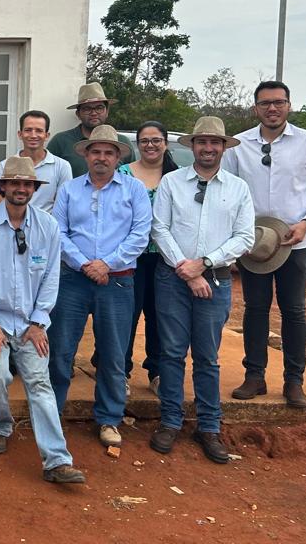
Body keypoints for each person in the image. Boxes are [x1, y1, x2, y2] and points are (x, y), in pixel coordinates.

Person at [0, 157, 86, 485]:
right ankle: (0, 426)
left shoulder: (48, 227)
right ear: (1, 187)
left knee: (40, 383)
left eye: (27, 184)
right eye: (14, 183)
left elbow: (50, 277)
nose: (21, 189)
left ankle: (57, 460)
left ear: (34, 188)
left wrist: (38, 321)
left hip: (32, 321)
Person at [223, 81, 306, 408]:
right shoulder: (239, 146)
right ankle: (254, 376)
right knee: (256, 308)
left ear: (289, 105)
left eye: (278, 102)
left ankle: (294, 380)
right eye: (265, 103)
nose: (272, 108)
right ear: (255, 108)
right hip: (255, 244)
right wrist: (237, 236)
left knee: (293, 310)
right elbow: (228, 192)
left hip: (296, 242)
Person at [149, 117, 255, 463]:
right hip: (173, 279)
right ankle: (170, 420)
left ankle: (209, 426)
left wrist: (205, 264)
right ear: (191, 146)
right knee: (172, 352)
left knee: (207, 357)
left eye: (215, 143)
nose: (208, 148)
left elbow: (244, 237)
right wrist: (187, 269)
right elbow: (159, 228)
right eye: (202, 142)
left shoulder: (237, 188)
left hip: (217, 278)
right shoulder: (172, 182)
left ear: (223, 147)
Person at [49, 125, 150, 450]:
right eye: (96, 152)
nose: (102, 157)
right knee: (61, 351)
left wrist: (106, 264)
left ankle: (108, 419)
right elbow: (59, 233)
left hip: (117, 281)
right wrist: (84, 264)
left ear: (118, 156)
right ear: (87, 155)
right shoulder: (69, 190)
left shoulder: (133, 190)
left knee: (113, 354)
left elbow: (140, 234)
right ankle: (52, 417)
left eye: (109, 152)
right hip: (74, 280)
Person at [116, 121, 179, 393]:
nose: (150, 145)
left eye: (156, 140)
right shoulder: (123, 174)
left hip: (166, 258)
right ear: (137, 144)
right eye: (144, 140)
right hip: (130, 258)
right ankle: (121, 372)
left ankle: (157, 370)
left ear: (165, 142)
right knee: (126, 316)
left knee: (161, 316)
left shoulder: (177, 177)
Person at [46, 82, 135, 176]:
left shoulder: (123, 142)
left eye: (99, 108)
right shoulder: (60, 141)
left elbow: (134, 175)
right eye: (87, 109)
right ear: (78, 114)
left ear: (107, 111)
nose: (93, 113)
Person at [0, 110, 73, 212]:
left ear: (47, 135)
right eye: (28, 130)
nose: (33, 135)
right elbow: (0, 198)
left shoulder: (62, 166)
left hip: (46, 226)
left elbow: (64, 203)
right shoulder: (4, 165)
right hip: (12, 224)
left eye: (39, 130)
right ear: (20, 134)